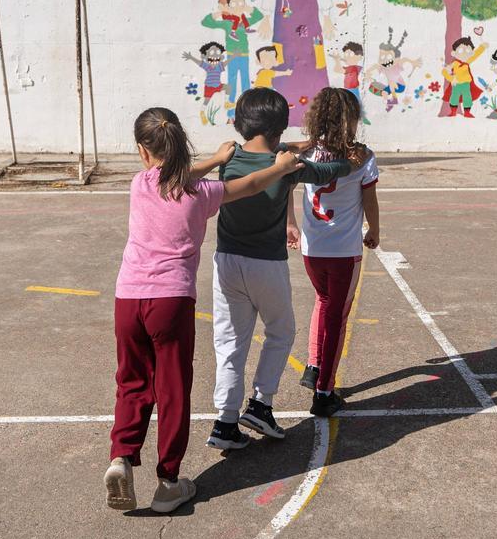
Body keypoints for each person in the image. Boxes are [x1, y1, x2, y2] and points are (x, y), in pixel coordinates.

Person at [105, 107, 303, 514]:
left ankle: (121, 457)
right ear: (180, 142)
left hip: (127, 299)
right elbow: (249, 185)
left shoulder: (139, 184)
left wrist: (214, 159)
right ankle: (168, 481)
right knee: (172, 388)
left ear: (144, 151)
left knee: (132, 381)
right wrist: (281, 167)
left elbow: (174, 173)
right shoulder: (202, 193)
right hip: (171, 301)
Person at [207, 88, 366, 451]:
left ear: (239, 123)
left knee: (230, 343)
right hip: (266, 264)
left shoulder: (228, 158)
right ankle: (261, 404)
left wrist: (299, 143)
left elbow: (269, 146)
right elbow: (327, 170)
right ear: (282, 128)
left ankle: (225, 421)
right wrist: (352, 163)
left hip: (227, 262)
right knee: (280, 331)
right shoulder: (286, 166)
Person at [289, 88, 379, 417]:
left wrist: (290, 223)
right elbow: (369, 199)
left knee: (323, 302)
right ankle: (324, 391)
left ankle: (314, 365)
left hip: (313, 250)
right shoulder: (361, 156)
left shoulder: (306, 153)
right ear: (351, 119)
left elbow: (285, 181)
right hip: (343, 250)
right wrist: (376, 230)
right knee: (337, 317)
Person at [442, 36, 486, 117]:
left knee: (467, 98)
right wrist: (451, 79)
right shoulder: (454, 63)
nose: (464, 53)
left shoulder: (467, 61)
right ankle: (453, 111)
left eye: (467, 50)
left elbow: (476, 54)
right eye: (461, 50)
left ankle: (467, 112)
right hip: (456, 84)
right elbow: (444, 71)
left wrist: (483, 46)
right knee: (454, 97)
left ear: (471, 52)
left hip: (466, 84)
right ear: (454, 53)